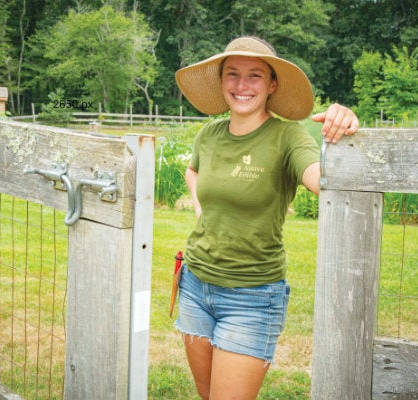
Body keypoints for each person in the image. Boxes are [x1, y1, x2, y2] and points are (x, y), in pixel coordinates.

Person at [173, 36, 359, 399]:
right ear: (221, 81)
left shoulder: (288, 137)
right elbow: (192, 172)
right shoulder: (209, 134)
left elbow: (325, 182)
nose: (242, 85)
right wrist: (201, 209)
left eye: (254, 75)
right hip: (195, 285)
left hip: (252, 296)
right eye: (233, 74)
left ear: (273, 84)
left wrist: (347, 132)